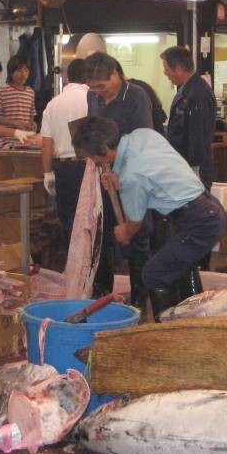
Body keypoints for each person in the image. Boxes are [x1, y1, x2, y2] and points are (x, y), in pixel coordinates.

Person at [72, 116, 226, 320]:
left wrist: (124, 232)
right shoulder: (144, 135)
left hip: (199, 221)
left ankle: (165, 329)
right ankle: (193, 324)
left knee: (153, 274)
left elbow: (135, 222)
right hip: (207, 209)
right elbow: (154, 175)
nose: (93, 162)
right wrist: (119, 180)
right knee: (181, 266)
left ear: (104, 149)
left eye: (92, 157)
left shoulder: (131, 176)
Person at [84, 51, 153, 307]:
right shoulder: (93, 96)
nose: (98, 92)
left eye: (102, 86)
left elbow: (143, 140)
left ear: (115, 74)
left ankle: (139, 300)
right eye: (93, 88)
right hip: (104, 174)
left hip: (133, 175)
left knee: (136, 234)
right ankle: (103, 297)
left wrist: (122, 169)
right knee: (103, 236)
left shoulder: (136, 96)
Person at [40, 58, 89, 243]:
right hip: (88, 165)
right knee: (90, 219)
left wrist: (47, 174)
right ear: (88, 78)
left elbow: (47, 144)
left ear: (67, 78)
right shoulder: (92, 98)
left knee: (69, 220)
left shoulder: (53, 104)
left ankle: (73, 257)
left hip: (64, 169)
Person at [161, 45, 217, 190]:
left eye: (167, 69)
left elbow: (199, 135)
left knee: (195, 204)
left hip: (193, 168)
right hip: (182, 165)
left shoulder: (199, 93)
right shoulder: (187, 90)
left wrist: (194, 169)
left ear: (178, 69)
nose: (165, 73)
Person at [0, 55, 37, 148]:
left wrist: (32, 124)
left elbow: (31, 115)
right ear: (11, 72)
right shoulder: (1, 91)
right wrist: (15, 122)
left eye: (26, 70)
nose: (23, 74)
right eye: (19, 70)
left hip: (26, 141)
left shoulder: (30, 92)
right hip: (7, 142)